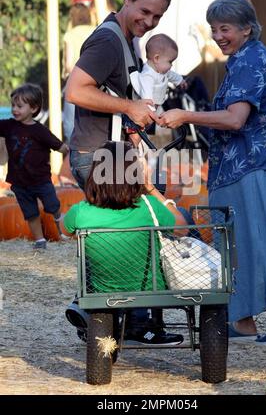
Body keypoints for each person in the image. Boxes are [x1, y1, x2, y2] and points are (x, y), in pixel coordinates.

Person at [157, 0, 266, 344]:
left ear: (247, 28)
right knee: (238, 243)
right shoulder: (256, 57)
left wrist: (185, 115)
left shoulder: (249, 60)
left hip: (255, 165)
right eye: (213, 28)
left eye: (226, 28)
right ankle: (243, 320)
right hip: (253, 165)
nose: (218, 35)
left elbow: (235, 120)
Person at [63, 140, 186, 345]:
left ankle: (82, 304)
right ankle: (144, 326)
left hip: (103, 286)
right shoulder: (148, 205)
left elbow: (65, 231)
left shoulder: (81, 211)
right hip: (148, 287)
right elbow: (182, 228)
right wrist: (150, 188)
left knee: (90, 255)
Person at [65, 0, 171, 189]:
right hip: (96, 158)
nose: (149, 21)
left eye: (157, 17)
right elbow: (75, 90)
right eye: (145, 11)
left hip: (111, 155)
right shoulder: (108, 41)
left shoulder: (128, 37)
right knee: (140, 219)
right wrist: (130, 107)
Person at [0, 83, 68, 249]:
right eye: (13, 105)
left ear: (33, 108)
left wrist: (68, 151)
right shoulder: (9, 126)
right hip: (20, 182)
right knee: (30, 213)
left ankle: (62, 229)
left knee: (52, 206)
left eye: (20, 106)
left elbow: (59, 146)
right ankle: (40, 241)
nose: (15, 109)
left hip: (41, 180)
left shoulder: (40, 131)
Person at [122, 33, 186, 145]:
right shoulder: (148, 76)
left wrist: (180, 81)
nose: (171, 65)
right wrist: (151, 111)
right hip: (145, 108)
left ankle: (136, 144)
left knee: (145, 129)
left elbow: (171, 75)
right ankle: (132, 144)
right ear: (156, 58)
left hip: (154, 107)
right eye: (170, 62)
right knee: (139, 129)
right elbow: (147, 95)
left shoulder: (161, 71)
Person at [62, 3, 96, 142]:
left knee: (71, 126)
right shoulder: (96, 30)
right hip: (95, 82)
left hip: (75, 83)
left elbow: (70, 64)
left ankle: (73, 156)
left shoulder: (70, 34)